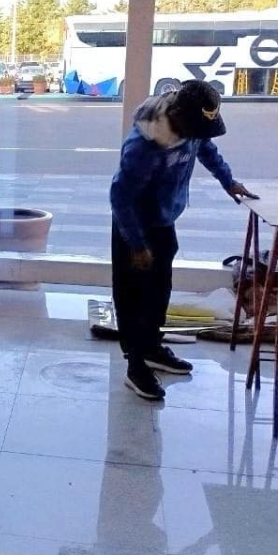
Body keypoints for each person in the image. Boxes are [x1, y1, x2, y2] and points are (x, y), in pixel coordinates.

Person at [110, 80, 257, 400]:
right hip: (133, 225)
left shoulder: (191, 128)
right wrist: (136, 244)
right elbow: (120, 197)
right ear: (175, 115)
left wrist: (228, 182)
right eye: (194, 129)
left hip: (163, 220)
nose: (197, 136)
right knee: (134, 298)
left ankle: (151, 349)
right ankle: (136, 367)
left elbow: (206, 148)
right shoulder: (144, 147)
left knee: (159, 290)